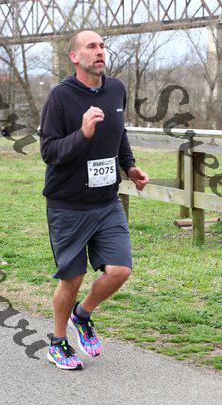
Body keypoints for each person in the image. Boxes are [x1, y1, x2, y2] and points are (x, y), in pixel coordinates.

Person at [39, 30, 149, 370]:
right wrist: (82, 134)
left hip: (106, 202)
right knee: (72, 279)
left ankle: (82, 315)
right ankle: (58, 344)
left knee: (120, 270)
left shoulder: (116, 89)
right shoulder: (60, 97)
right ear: (75, 56)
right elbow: (49, 151)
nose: (100, 51)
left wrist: (129, 166)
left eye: (102, 46)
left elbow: (119, 133)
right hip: (68, 205)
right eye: (91, 46)